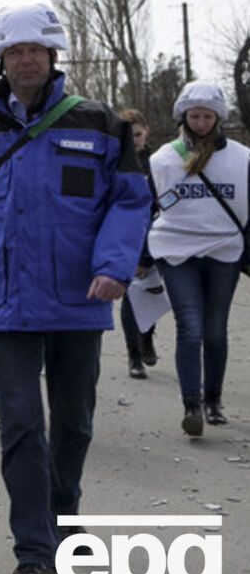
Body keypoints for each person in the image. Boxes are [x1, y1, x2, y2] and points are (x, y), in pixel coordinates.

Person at [0, 2, 150, 574]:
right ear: (1, 58)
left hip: (80, 301)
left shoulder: (100, 123)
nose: (25, 59)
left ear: (53, 55)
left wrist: (113, 265)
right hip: (5, 306)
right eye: (14, 50)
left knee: (75, 424)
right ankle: (33, 558)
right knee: (23, 425)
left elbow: (131, 202)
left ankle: (64, 513)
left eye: (35, 50)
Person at [147, 81, 249, 436]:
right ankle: (192, 405)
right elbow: (149, 208)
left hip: (225, 251)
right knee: (190, 328)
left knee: (215, 329)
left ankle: (214, 400)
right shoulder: (163, 159)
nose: (201, 122)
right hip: (176, 252)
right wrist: (142, 257)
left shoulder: (242, 158)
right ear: (184, 117)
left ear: (218, 117)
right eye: (195, 115)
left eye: (207, 116)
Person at [117, 108, 158, 379]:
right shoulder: (115, 161)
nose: (134, 141)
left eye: (138, 135)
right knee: (131, 297)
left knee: (152, 294)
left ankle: (147, 337)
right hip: (124, 237)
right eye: (129, 135)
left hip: (155, 237)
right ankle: (134, 356)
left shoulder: (158, 163)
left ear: (146, 133)